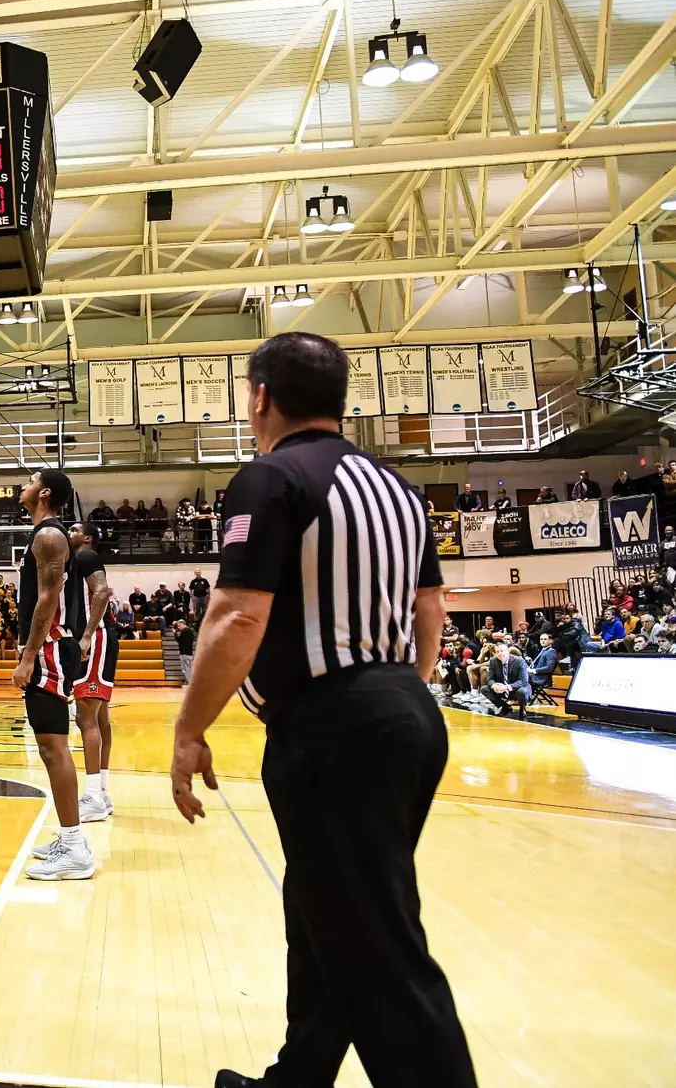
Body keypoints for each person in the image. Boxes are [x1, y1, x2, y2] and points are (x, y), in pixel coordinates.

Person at [165, 332, 476, 1088]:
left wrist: (188, 730)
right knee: (321, 917)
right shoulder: (399, 489)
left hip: (334, 730)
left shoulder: (270, 480)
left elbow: (238, 617)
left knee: (377, 947)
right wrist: (399, 696)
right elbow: (430, 608)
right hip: (403, 708)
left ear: (261, 396)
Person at [12, 468, 93, 880]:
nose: (21, 484)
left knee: (52, 748)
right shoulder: (46, 535)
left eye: (29, 479)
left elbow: (47, 600)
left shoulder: (48, 536)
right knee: (50, 746)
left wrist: (28, 656)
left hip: (50, 647)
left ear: (43, 493)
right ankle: (69, 836)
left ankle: (76, 848)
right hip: (49, 646)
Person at [68, 522, 117, 822]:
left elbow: (102, 592)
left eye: (74, 529)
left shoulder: (86, 557)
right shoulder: (79, 561)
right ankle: (102, 792)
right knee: (100, 718)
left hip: (95, 638)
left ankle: (93, 797)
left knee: (85, 716)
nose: (68, 531)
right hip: (102, 637)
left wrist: (86, 634)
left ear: (87, 537)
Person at [484, 641, 530, 719]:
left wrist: (507, 687)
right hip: (501, 689)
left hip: (516, 688)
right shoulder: (493, 661)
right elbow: (490, 679)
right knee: (484, 689)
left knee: (522, 691)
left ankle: (523, 709)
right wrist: (494, 685)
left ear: (508, 651)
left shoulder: (519, 661)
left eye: (502, 651)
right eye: (497, 652)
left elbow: (523, 681)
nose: (500, 654)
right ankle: (505, 706)